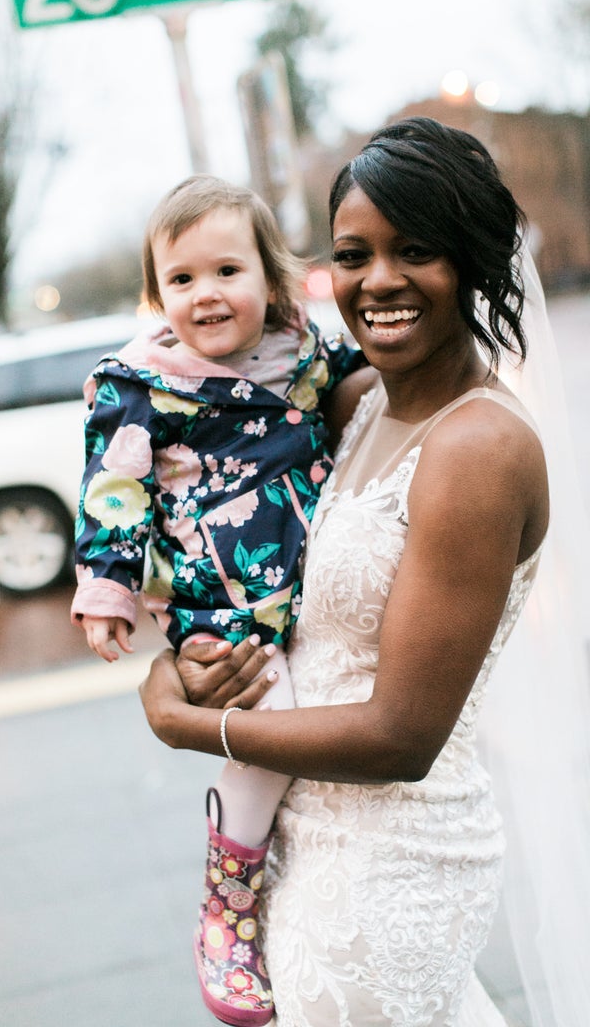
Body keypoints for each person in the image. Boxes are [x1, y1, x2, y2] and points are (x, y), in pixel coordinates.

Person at [138, 118, 571, 1026]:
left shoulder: (479, 446)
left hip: (392, 867)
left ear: (476, 261)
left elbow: (401, 736)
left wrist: (196, 725)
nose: (378, 281)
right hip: (302, 842)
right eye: (353, 254)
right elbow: (232, 541)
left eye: (416, 250)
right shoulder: (358, 403)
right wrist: (184, 654)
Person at [71, 174, 364, 1025]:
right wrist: (108, 591)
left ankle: (289, 887)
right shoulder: (141, 383)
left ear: (270, 279)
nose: (206, 295)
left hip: (312, 584)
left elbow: (369, 384)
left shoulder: (304, 354)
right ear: (157, 293)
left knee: (323, 716)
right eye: (182, 279)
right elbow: (112, 490)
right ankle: (228, 904)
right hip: (220, 600)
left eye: (227, 270)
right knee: (271, 730)